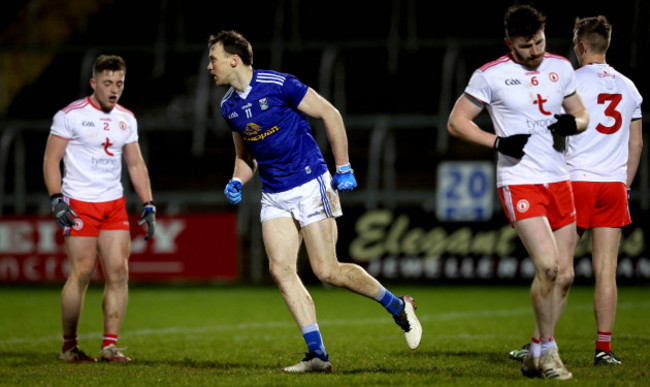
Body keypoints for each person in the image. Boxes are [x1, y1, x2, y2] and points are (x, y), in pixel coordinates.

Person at [207, 30, 422, 373]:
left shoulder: (279, 84)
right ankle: (318, 355)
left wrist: (345, 167)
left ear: (234, 59)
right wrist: (236, 179)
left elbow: (331, 114)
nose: (209, 66)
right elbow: (246, 157)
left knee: (326, 271)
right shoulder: (228, 107)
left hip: (309, 183)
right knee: (280, 270)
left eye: (214, 58)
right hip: (274, 194)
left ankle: (398, 306)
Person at [447, 5, 589, 380]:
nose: (535, 51)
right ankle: (550, 353)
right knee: (549, 266)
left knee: (567, 275)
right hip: (519, 179)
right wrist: (496, 143)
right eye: (526, 45)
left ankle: (535, 353)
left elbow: (582, 115)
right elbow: (456, 122)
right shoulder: (489, 76)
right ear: (509, 43)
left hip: (559, 178)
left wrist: (572, 124)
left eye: (540, 41)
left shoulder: (561, 66)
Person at [509, 15, 643, 367]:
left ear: (581, 46)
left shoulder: (569, 80)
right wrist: (624, 184)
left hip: (576, 182)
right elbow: (637, 143)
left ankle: (539, 344)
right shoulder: (630, 88)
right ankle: (604, 349)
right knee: (606, 271)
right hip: (614, 186)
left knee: (557, 268)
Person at [43, 55, 156, 363]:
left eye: (119, 83)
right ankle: (69, 347)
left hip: (114, 204)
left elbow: (135, 163)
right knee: (81, 273)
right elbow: (51, 159)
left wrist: (148, 203)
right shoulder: (70, 115)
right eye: (107, 83)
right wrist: (56, 199)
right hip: (79, 203)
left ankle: (109, 347)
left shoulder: (126, 118)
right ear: (93, 83)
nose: (114, 89)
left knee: (119, 272)